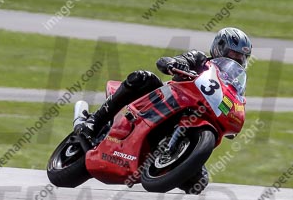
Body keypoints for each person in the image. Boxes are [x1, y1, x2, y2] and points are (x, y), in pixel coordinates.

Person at [76, 27, 252, 159]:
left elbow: (233, 102)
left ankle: (179, 158)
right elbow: (170, 61)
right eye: (232, 54)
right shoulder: (200, 60)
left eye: (240, 59)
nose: (235, 60)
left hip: (195, 113)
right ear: (219, 48)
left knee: (197, 183)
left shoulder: (234, 85)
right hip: (166, 100)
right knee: (143, 78)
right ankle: (94, 121)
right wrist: (175, 63)